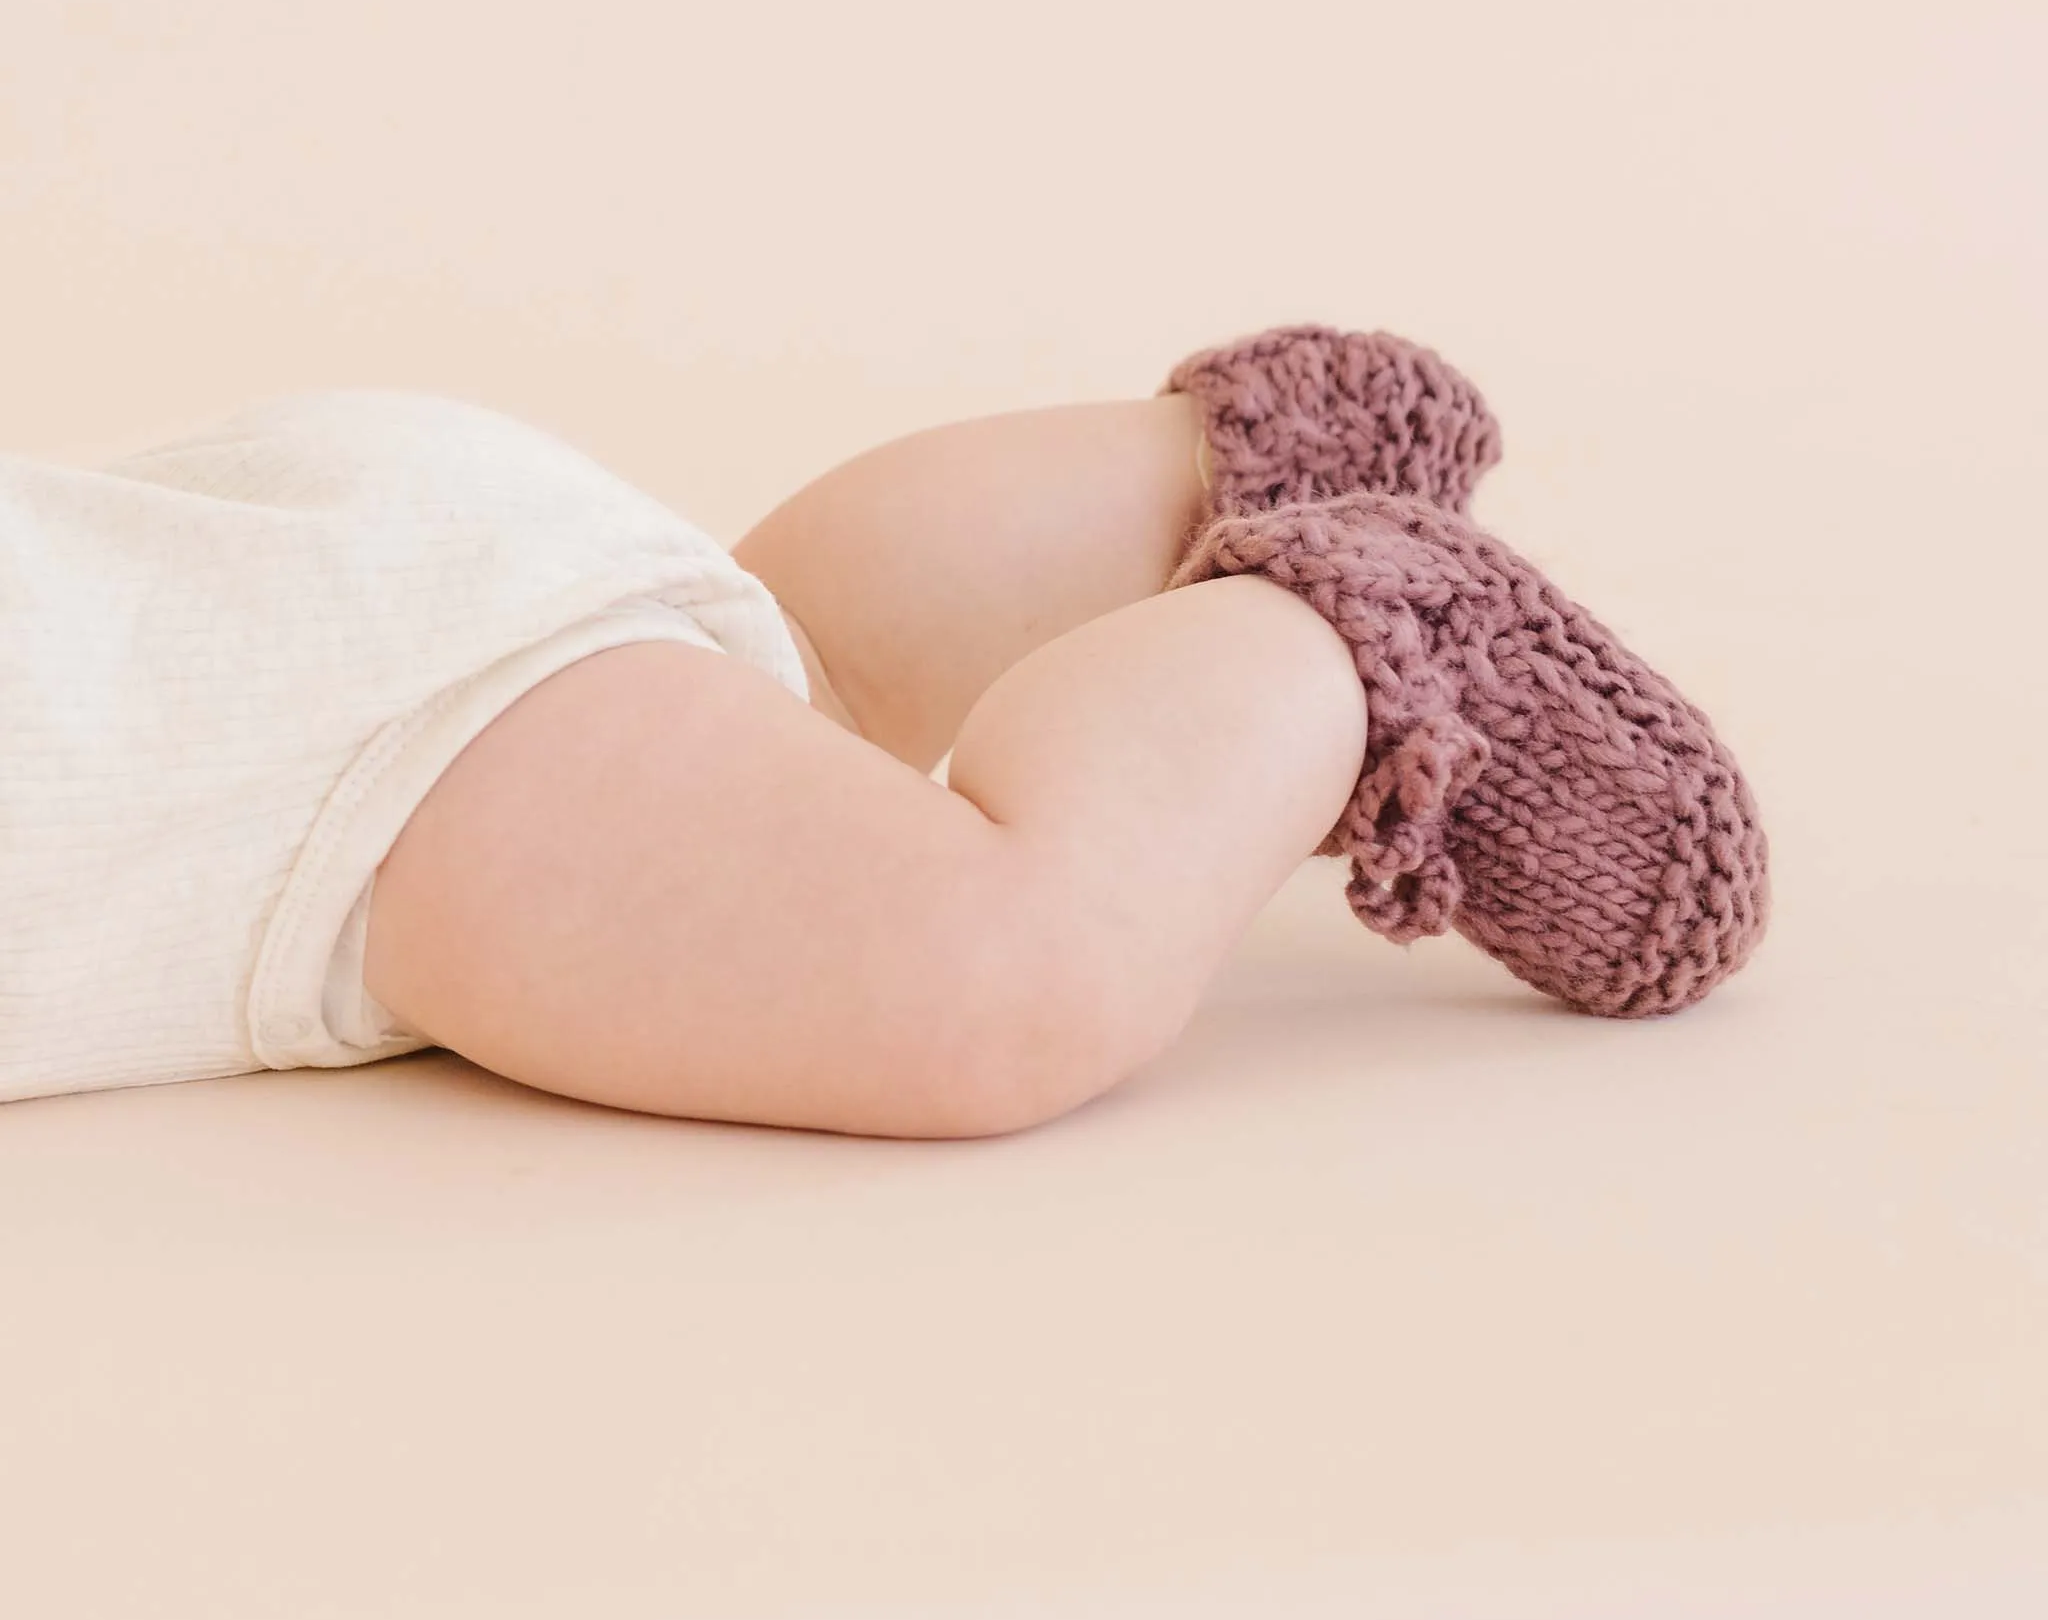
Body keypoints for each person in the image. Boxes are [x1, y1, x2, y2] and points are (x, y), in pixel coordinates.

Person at [0, 327, 1768, 1134]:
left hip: (312, 772)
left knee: (994, 969)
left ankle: (1372, 643)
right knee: (796, 688)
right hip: (283, 532)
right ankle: (1201, 478)